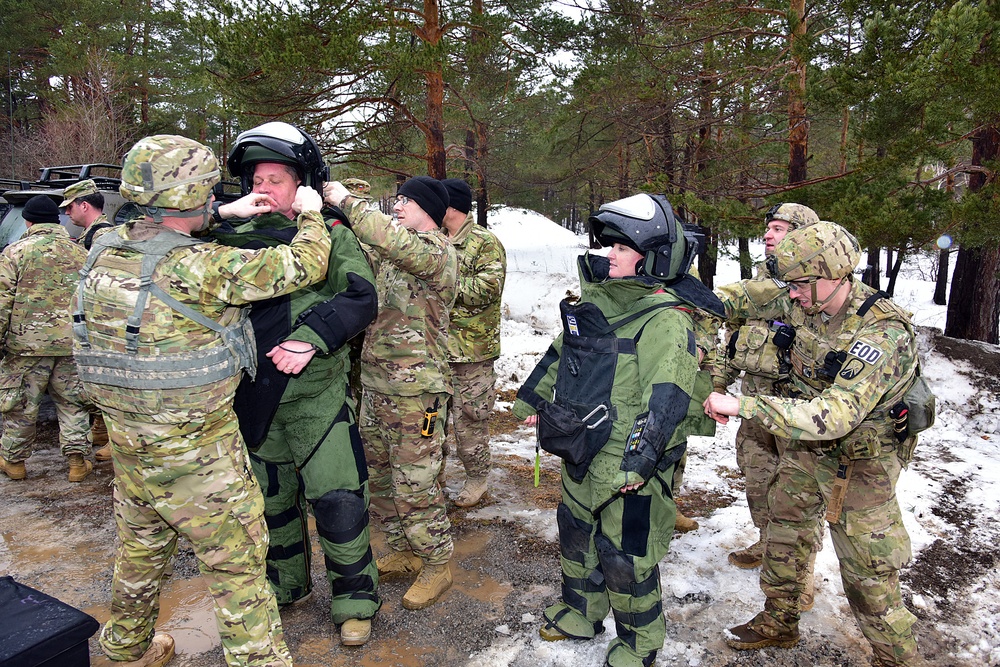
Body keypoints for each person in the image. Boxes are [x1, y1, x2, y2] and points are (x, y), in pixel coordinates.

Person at [74, 134, 332, 667]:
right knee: (238, 571)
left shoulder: (102, 248)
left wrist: (218, 212)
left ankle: (127, 647)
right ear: (195, 193)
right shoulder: (201, 267)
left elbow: (152, 232)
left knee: (141, 552)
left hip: (130, 447)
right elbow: (303, 266)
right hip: (200, 458)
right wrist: (310, 213)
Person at [513, 194, 725, 667]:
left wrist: (641, 458)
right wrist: (534, 399)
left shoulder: (666, 319)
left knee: (626, 556)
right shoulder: (597, 302)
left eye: (622, 248)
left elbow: (666, 397)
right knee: (575, 532)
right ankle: (581, 610)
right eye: (608, 245)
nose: (610, 253)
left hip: (629, 460)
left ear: (650, 257)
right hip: (582, 443)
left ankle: (639, 642)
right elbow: (563, 354)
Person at [704, 221, 921, 667]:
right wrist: (678, 297)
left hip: (862, 464)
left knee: (868, 574)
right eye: (791, 284)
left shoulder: (882, 332)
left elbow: (836, 414)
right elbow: (747, 297)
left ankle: (896, 658)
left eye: (801, 285)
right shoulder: (805, 298)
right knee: (785, 534)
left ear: (833, 276)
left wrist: (746, 405)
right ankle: (779, 622)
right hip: (808, 451)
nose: (793, 294)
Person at [212, 122, 381, 647]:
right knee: (270, 506)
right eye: (256, 179)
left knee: (339, 503)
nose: (264, 188)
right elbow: (129, 230)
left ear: (302, 185)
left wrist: (311, 337)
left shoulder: (329, 232)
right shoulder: (223, 238)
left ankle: (354, 600)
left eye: (277, 179)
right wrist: (218, 214)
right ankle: (286, 587)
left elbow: (360, 295)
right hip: (250, 401)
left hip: (316, 401)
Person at [324, 175, 458, 611]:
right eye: (396, 201)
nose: (397, 207)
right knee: (381, 479)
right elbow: (360, 251)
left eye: (406, 201)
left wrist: (349, 200)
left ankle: (437, 562)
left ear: (430, 211)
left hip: (418, 396)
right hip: (378, 388)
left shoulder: (436, 251)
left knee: (416, 485)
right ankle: (404, 549)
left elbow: (386, 237)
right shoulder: (393, 256)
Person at [713, 203, 821, 602]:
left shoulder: (813, 289)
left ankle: (800, 571)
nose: (768, 235)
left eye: (779, 229)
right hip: (754, 405)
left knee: (798, 494)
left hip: (797, 411)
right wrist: (721, 385)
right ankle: (766, 541)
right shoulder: (754, 285)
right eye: (767, 229)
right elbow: (732, 340)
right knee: (759, 482)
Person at [0, 195, 93, 483]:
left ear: (28, 221)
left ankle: (14, 462)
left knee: (21, 405)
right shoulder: (80, 253)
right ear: (58, 221)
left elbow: (2, 301)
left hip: (25, 346)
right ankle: (77, 462)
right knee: (73, 403)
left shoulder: (15, 253)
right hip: (71, 345)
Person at [439, 178, 506, 508]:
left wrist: (443, 282)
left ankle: (477, 478)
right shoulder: (434, 238)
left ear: (450, 207)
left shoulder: (484, 242)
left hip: (471, 352)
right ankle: (432, 479)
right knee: (431, 422)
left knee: (470, 421)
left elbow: (488, 289)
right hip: (435, 349)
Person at [60, 178, 114, 461]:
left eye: (69, 208)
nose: (67, 214)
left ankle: (116, 441)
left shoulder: (102, 236)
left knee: (108, 382)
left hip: (103, 323)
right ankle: (104, 430)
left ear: (84, 205)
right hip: (93, 319)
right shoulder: (89, 236)